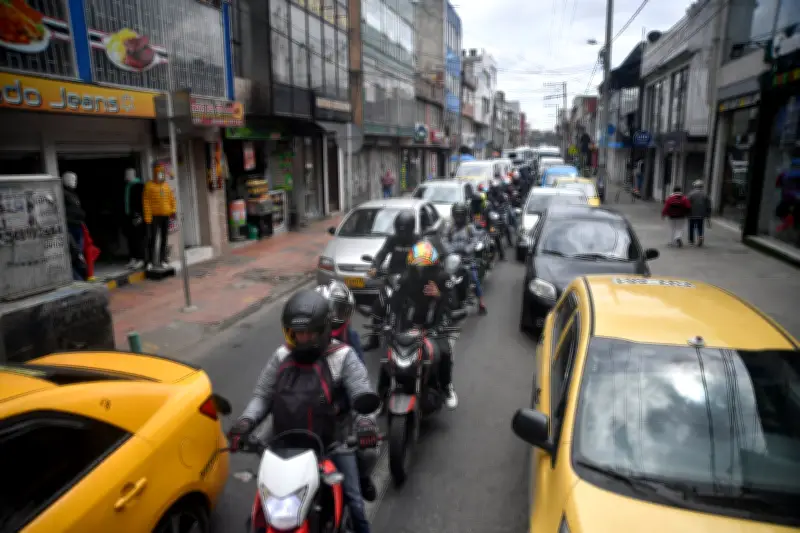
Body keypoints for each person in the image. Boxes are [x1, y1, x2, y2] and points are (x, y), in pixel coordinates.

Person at [227, 290, 380, 533]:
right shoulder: (281, 356)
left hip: (331, 447)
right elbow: (262, 396)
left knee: (356, 506)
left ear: (324, 330)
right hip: (283, 449)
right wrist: (245, 422)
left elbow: (361, 392)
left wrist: (365, 424)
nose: (303, 338)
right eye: (298, 333)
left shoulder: (342, 356)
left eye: (310, 333)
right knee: (259, 514)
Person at [379, 240, 459, 409]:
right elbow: (394, 303)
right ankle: (381, 393)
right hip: (409, 327)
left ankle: (446, 387)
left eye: (426, 267)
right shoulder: (406, 279)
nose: (422, 270)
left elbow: (454, 302)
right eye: (418, 266)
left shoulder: (443, 278)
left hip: (435, 327)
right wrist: (388, 324)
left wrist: (439, 295)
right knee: (388, 354)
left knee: (445, 352)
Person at [446, 203, 487, 315]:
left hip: (467, 260)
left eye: (461, 215)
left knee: (474, 279)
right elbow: (444, 240)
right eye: (456, 215)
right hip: (452, 260)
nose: (458, 217)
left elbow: (475, 240)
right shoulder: (450, 228)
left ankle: (481, 303)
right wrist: (449, 250)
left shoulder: (470, 228)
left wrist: (467, 249)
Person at [316, 280, 364, 362]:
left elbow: (360, 366)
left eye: (341, 310)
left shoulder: (351, 335)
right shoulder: (309, 334)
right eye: (331, 310)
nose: (335, 315)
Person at [687, 180, 712, 246]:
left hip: (692, 214)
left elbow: (687, 204)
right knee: (700, 227)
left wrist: (687, 213)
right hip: (701, 214)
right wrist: (708, 214)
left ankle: (691, 240)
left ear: (695, 186)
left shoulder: (691, 194)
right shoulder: (705, 194)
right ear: (702, 186)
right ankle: (700, 238)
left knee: (691, 227)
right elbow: (708, 205)